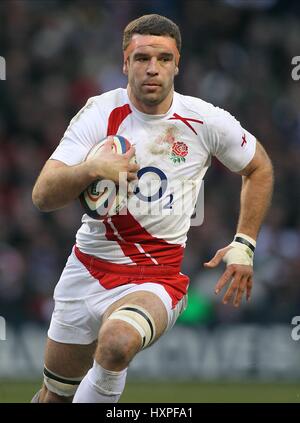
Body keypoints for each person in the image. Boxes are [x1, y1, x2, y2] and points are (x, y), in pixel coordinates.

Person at [31, 14, 273, 403]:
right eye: (142, 58)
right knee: (53, 396)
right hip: (87, 268)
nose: (152, 68)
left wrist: (244, 244)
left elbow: (258, 166)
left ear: (178, 64)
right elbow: (43, 196)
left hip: (155, 276)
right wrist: (93, 168)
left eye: (163, 58)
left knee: (116, 344)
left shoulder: (203, 120)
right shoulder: (99, 113)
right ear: (125, 63)